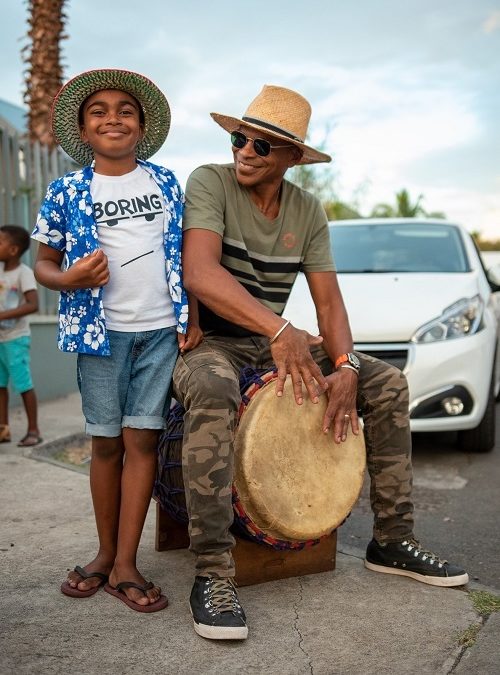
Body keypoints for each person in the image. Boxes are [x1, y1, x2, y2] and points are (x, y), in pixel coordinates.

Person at [175, 84, 469, 640]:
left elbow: (329, 302)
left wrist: (347, 365)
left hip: (273, 340)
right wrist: (282, 329)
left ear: (292, 158)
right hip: (210, 341)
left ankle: (391, 540)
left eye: (263, 146)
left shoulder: (307, 209)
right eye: (241, 138)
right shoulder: (209, 181)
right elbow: (201, 274)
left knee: (387, 384)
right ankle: (213, 572)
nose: (245, 151)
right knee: (213, 390)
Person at [32, 69, 202, 613]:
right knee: (105, 444)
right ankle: (104, 554)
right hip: (99, 336)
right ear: (83, 130)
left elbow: (187, 257)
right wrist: (69, 279)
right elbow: (43, 263)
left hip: (158, 334)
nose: (113, 117)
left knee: (142, 443)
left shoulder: (167, 184)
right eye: (99, 111)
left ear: (142, 125)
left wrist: (191, 315)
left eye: (125, 109)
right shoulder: (68, 190)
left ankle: (126, 562)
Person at [0, 225, 41, 446]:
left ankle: (33, 430)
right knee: (0, 385)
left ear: (14, 250)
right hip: (0, 339)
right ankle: (3, 429)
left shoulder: (24, 273)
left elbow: (34, 304)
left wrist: (3, 315)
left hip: (16, 338)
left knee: (23, 384)